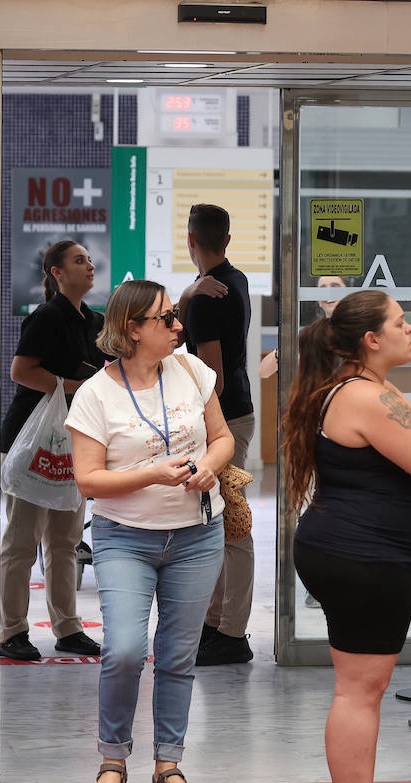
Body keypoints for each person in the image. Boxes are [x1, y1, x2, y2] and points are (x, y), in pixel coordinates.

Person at [282, 290, 411, 783]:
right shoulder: (365, 397)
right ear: (371, 340)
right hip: (361, 559)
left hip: (367, 557)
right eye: (401, 323)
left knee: (368, 691)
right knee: (358, 692)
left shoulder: (374, 391)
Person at [66, 279, 233, 783]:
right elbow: (88, 481)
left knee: (179, 655)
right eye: (167, 318)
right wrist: (151, 475)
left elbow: (223, 437)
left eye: (176, 315)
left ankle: (168, 766)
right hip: (124, 540)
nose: (178, 326)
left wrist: (208, 466)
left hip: (198, 536)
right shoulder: (96, 394)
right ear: (132, 328)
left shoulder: (190, 372)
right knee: (123, 651)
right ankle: (113, 760)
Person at [0, 240, 108, 662]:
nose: (89, 265)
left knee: (65, 541)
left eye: (89, 259)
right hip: (31, 443)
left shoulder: (93, 322)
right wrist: (72, 387)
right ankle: (12, 630)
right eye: (79, 260)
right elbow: (21, 371)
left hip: (71, 443)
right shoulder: (46, 316)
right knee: (22, 542)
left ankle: (67, 628)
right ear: (57, 273)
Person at [177, 204, 257, 666]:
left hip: (222, 421)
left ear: (191, 240)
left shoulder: (207, 300)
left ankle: (231, 632)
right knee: (221, 520)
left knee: (232, 526)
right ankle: (216, 623)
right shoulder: (237, 280)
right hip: (238, 414)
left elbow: (214, 380)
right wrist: (189, 293)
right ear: (226, 241)